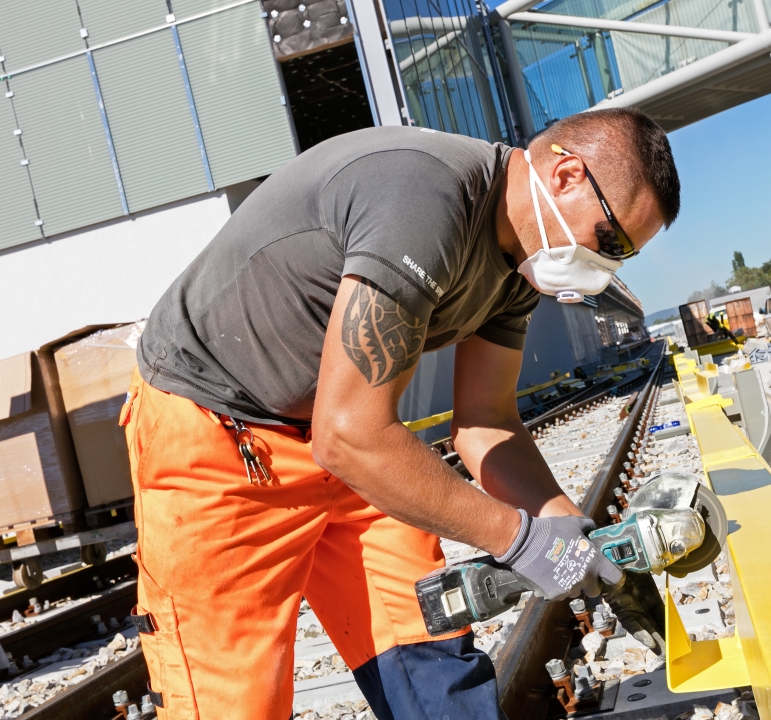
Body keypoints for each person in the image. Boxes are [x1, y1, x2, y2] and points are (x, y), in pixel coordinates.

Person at [121, 107, 680, 720]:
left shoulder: (519, 267)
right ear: (566, 175)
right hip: (220, 439)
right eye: (611, 242)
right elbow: (349, 435)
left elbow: (486, 421)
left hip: (346, 442)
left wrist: (573, 536)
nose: (606, 269)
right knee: (233, 701)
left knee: (427, 653)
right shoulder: (426, 195)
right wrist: (519, 540)